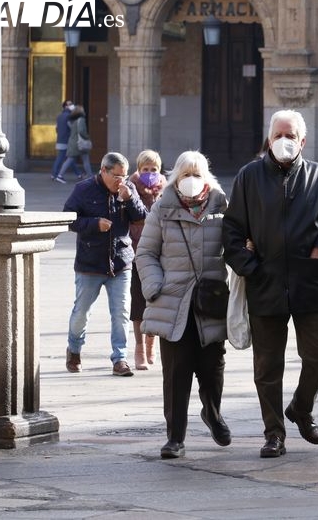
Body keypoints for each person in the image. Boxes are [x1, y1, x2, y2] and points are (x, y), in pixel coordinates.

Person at [223, 109, 318, 458]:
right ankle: (274, 433)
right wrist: (249, 266)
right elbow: (232, 229)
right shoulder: (249, 177)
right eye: (279, 135)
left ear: (302, 141)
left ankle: (301, 407)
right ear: (269, 139)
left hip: (310, 283)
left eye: (291, 135)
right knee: (267, 366)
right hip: (265, 284)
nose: (284, 141)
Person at [135, 150, 231, 459]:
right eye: (186, 174)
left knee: (213, 368)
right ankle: (175, 437)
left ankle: (212, 414)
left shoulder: (221, 206)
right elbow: (145, 253)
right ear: (176, 178)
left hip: (210, 301)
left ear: (206, 177)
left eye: (197, 174)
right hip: (173, 302)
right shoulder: (162, 208)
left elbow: (235, 247)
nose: (191, 180)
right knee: (176, 373)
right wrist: (155, 287)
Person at [63, 152, 146, 377]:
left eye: (124, 175)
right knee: (82, 312)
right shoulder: (84, 189)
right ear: (103, 171)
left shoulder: (128, 188)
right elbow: (68, 219)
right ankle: (74, 349)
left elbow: (142, 218)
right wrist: (93, 224)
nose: (121, 180)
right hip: (90, 262)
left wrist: (129, 199)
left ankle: (120, 359)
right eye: (116, 176)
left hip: (121, 261)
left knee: (121, 312)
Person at [128, 149, 167, 370]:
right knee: (138, 301)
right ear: (138, 169)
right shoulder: (130, 188)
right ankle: (139, 347)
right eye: (145, 169)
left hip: (162, 253)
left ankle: (152, 344)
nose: (150, 173)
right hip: (137, 252)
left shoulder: (167, 190)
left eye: (154, 169)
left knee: (157, 299)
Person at [56, 105, 93, 183]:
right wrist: (87, 137)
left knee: (72, 159)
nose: (84, 111)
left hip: (73, 142)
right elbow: (81, 131)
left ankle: (89, 175)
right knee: (83, 159)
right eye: (83, 110)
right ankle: (60, 175)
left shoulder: (72, 120)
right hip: (79, 143)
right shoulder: (81, 119)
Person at [51, 100, 83, 181]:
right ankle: (55, 174)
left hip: (60, 140)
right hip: (67, 140)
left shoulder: (59, 116)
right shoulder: (69, 116)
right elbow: (72, 128)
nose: (72, 105)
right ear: (65, 106)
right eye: (70, 104)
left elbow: (57, 129)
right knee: (64, 158)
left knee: (69, 158)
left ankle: (78, 174)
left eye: (72, 104)